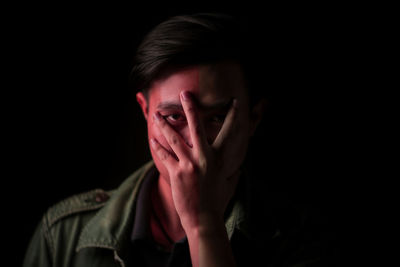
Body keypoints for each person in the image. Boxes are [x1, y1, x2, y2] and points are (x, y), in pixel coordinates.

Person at [24, 13, 330, 267]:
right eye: (173, 117)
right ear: (145, 111)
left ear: (254, 118)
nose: (195, 145)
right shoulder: (64, 234)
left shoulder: (303, 241)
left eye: (216, 118)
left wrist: (203, 225)